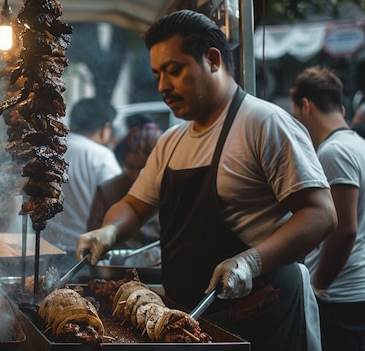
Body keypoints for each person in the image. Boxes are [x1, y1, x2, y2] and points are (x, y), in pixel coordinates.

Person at [76, 10, 336, 351]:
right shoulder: (171, 141)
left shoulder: (263, 123)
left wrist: (251, 261)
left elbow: (321, 214)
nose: (162, 86)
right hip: (190, 316)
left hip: (265, 314)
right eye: (157, 74)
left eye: (174, 70)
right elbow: (134, 206)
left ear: (213, 59)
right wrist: (109, 230)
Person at [290, 66, 365, 351]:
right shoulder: (357, 144)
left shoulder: (334, 152)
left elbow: (345, 228)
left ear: (306, 106)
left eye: (296, 114)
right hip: (352, 291)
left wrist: (318, 285)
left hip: (338, 295)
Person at [44, 97, 122, 266]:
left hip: (46, 252)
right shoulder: (102, 157)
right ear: (106, 128)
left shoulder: (50, 152)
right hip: (85, 254)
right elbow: (119, 204)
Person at [87, 121, 163, 252]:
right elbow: (94, 236)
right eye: (131, 167)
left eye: (145, 168)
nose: (137, 175)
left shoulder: (171, 187)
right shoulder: (108, 189)